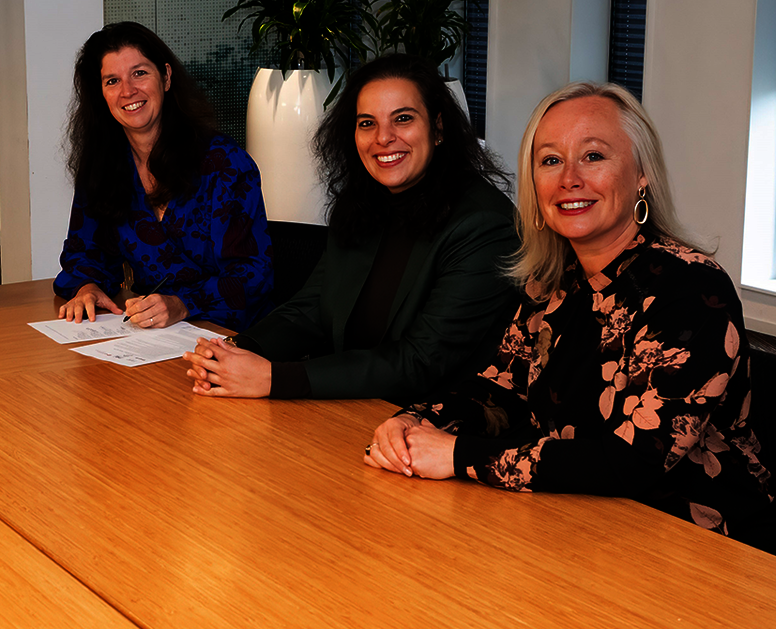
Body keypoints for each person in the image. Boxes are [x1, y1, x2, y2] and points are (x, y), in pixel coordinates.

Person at [365, 81, 775, 541]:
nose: (569, 179)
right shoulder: (551, 282)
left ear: (642, 174)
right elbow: (500, 389)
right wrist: (415, 421)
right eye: (551, 161)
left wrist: (459, 456)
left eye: (594, 156)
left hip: (689, 539)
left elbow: (633, 461)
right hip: (571, 516)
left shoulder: (691, 289)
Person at [185, 54, 519, 400]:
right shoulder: (365, 201)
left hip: (433, 424)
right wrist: (234, 349)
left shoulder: (483, 225)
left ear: (438, 128)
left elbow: (421, 362)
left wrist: (275, 379)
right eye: (367, 123)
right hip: (354, 407)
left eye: (402, 119)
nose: (383, 138)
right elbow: (313, 308)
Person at [54, 22, 272, 330]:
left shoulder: (223, 163)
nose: (128, 91)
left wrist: (183, 305)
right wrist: (87, 288)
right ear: (100, 95)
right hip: (155, 339)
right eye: (112, 81)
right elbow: (85, 251)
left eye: (140, 73)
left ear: (166, 77)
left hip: (234, 335)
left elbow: (252, 275)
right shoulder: (105, 165)